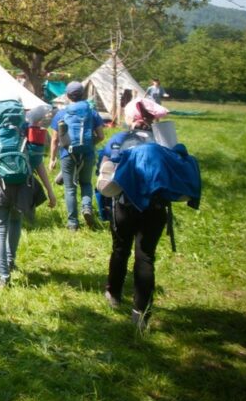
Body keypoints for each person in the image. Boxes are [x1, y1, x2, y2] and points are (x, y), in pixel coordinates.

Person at [99, 105, 200, 332]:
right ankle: (141, 313)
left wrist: (103, 206)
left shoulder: (119, 139)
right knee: (145, 258)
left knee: (120, 250)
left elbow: (104, 175)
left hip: (124, 205)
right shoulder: (164, 142)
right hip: (156, 209)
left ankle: (114, 293)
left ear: (130, 119)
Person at [0, 102, 57, 287]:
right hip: (22, 185)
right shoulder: (27, 130)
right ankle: (11, 261)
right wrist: (50, 192)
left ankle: (3, 276)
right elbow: (37, 163)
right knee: (15, 222)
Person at [49, 81, 105, 231]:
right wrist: (89, 144)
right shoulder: (92, 112)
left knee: (70, 188)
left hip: (67, 153)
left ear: (67, 95)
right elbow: (101, 136)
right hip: (87, 153)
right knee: (86, 184)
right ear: (83, 95)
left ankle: (73, 223)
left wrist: (52, 159)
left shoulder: (61, 113)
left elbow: (54, 139)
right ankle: (87, 207)